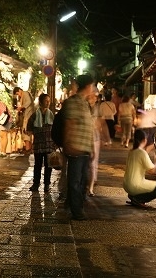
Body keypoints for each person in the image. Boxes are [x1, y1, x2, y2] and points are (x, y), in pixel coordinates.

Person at [59, 74, 95, 220]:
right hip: (75, 148)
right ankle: (77, 211)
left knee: (82, 181)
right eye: (92, 85)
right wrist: (67, 144)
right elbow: (69, 124)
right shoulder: (73, 102)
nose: (93, 88)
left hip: (84, 148)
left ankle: (72, 204)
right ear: (88, 86)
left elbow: (88, 127)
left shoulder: (85, 103)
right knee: (75, 182)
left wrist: (91, 147)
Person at [123, 129, 156, 207]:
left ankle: (134, 196)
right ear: (144, 140)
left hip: (127, 185)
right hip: (135, 185)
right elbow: (152, 171)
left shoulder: (131, 152)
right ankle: (139, 199)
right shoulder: (141, 153)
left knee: (151, 184)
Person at [26, 93, 56, 192]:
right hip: (38, 144)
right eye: (46, 101)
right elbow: (29, 128)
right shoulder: (35, 115)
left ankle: (47, 184)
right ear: (41, 102)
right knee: (37, 165)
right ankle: (36, 184)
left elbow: (56, 129)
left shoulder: (51, 115)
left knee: (48, 165)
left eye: (49, 101)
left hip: (49, 144)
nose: (48, 103)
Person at [87, 89, 102, 197]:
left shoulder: (97, 108)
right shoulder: (84, 107)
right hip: (85, 137)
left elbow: (99, 123)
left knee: (93, 163)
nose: (95, 98)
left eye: (95, 97)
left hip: (94, 137)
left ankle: (90, 188)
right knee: (86, 163)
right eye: (93, 96)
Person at [13, 86, 35, 152]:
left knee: (26, 132)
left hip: (28, 115)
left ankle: (28, 148)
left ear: (19, 90)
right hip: (27, 115)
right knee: (27, 132)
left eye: (17, 93)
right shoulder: (23, 95)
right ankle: (28, 148)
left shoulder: (25, 93)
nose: (18, 95)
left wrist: (22, 107)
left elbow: (28, 102)